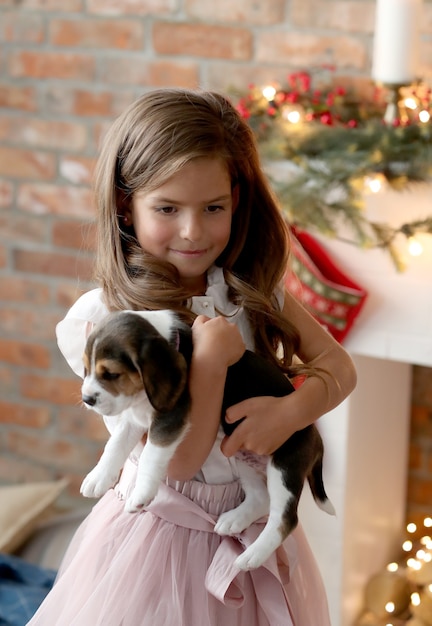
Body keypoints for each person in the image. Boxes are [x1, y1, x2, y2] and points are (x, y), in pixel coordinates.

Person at [28, 88, 356, 626]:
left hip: (250, 528)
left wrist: (290, 414)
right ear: (123, 205)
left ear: (237, 200)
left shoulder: (251, 292)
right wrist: (210, 359)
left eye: (213, 208)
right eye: (167, 208)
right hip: (158, 547)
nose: (193, 231)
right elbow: (180, 460)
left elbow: (340, 367)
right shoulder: (110, 320)